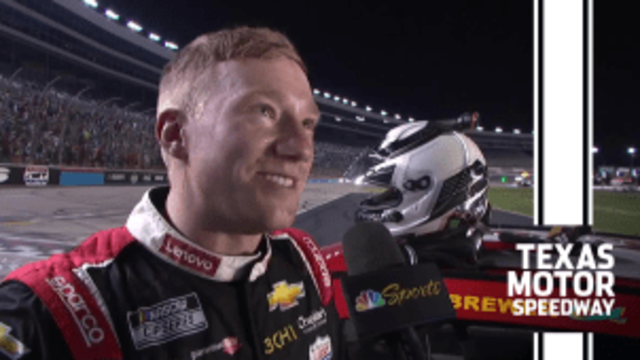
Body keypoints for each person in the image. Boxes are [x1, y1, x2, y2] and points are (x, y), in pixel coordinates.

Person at [0, 27, 343, 360]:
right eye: (264, 111)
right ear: (175, 134)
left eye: (308, 124)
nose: (300, 148)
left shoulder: (305, 262)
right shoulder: (51, 315)